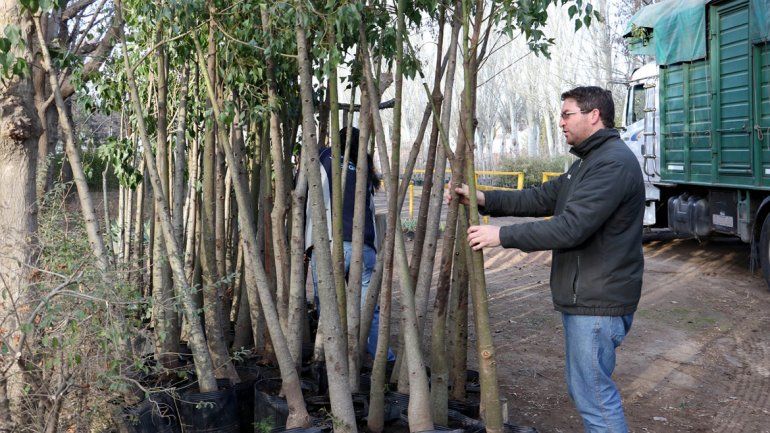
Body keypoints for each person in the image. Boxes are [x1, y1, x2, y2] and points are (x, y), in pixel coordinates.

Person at [450, 86, 644, 432]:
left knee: (595, 399)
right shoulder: (587, 163)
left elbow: (571, 228)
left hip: (597, 302)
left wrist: (501, 236)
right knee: (587, 392)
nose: (561, 122)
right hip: (588, 298)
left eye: (567, 114)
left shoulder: (611, 163)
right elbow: (540, 198)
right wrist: (483, 199)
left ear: (594, 115)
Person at [305, 127, 394, 361]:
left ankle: (330, 360)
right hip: (364, 247)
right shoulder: (364, 168)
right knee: (368, 310)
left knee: (327, 307)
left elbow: (303, 190)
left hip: (329, 243)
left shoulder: (323, 156)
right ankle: (385, 361)